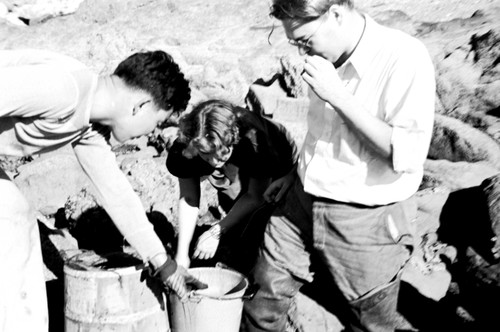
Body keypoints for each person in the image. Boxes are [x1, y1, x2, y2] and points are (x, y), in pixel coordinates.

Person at [243, 1, 436, 331]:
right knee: (262, 302)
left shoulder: (404, 57)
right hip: (300, 203)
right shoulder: (323, 56)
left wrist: (338, 95)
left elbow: (405, 155)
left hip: (367, 218)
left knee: (370, 323)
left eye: (304, 40)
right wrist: (295, 174)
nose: (302, 51)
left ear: (335, 14)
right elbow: (321, 131)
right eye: (295, 43)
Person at [0, 48, 206, 332]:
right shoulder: (63, 89)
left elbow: (116, 192)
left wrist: (165, 266)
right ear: (141, 105)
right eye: (157, 122)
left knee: (15, 216)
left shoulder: (87, 127)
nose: (150, 133)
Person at [166, 99, 297, 274]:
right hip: (232, 154)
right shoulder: (188, 144)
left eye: (220, 155)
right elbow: (188, 198)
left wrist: (216, 231)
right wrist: (182, 255)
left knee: (262, 216)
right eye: (206, 154)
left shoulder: (254, 140)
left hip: (277, 153)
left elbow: (255, 196)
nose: (214, 161)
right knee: (233, 204)